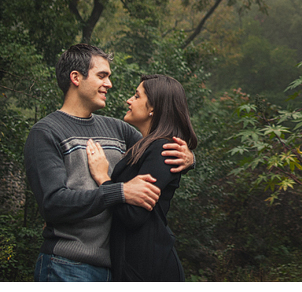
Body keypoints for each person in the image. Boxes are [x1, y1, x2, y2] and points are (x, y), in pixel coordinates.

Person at [23, 43, 195, 282]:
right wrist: (120, 191)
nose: (109, 84)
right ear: (76, 77)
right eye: (102, 76)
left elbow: (157, 149)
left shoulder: (118, 129)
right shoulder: (46, 132)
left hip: (117, 269)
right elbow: (53, 203)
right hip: (68, 265)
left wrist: (188, 157)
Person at [86, 74, 197, 281]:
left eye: (136, 96)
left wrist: (103, 178)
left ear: (153, 108)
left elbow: (133, 215)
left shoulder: (163, 149)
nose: (129, 101)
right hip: (135, 264)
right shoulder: (144, 145)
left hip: (149, 269)